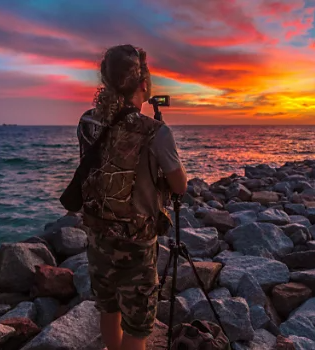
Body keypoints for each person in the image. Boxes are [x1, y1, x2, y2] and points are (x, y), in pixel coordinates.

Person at [76, 44, 187, 350]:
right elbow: (180, 186)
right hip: (136, 243)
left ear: (105, 79)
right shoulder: (156, 131)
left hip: (97, 235)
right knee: (138, 326)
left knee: (108, 308)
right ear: (143, 84)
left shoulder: (87, 122)